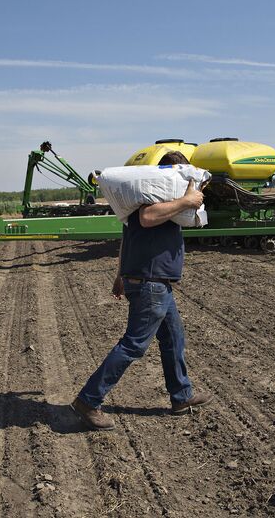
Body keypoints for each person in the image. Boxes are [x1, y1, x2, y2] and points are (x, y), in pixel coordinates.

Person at [71, 151, 213, 431]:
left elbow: (127, 236)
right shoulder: (154, 196)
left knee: (173, 338)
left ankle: (181, 396)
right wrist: (186, 200)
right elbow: (147, 219)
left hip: (153, 281)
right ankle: (88, 400)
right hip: (151, 282)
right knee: (134, 344)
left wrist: (119, 275)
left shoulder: (144, 197)